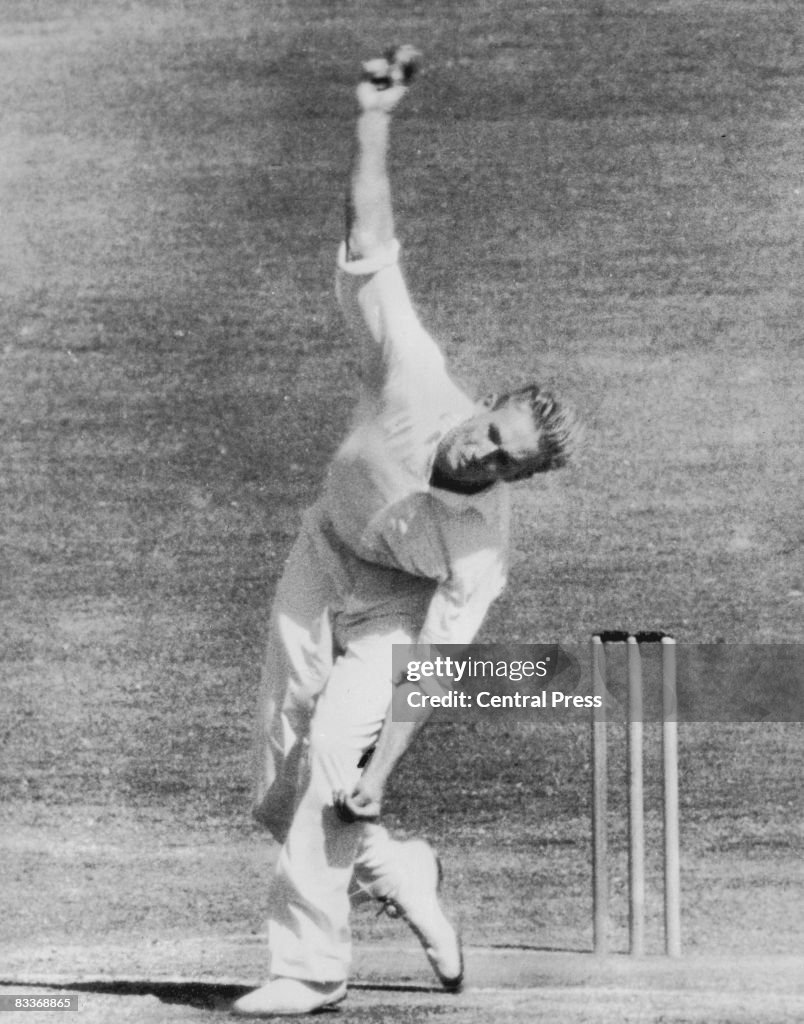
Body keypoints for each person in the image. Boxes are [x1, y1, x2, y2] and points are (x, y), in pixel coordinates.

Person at [232, 46, 579, 1016]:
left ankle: (310, 971)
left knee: (337, 776)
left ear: (520, 475)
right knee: (276, 782)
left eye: (506, 459)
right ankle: (407, 869)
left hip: (398, 614)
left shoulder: (481, 548)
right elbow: (369, 241)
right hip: (323, 554)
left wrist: (379, 770)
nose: (482, 452)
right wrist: (372, 117)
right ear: (483, 403)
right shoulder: (415, 375)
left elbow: (436, 667)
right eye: (489, 429)